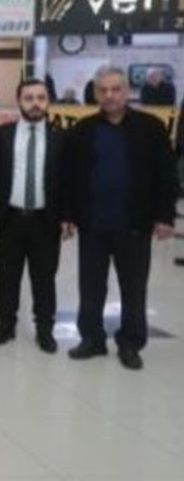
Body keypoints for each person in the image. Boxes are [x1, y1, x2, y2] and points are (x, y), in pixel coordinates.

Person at [63, 66, 178, 370]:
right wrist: (68, 215)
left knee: (133, 288)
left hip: (134, 224)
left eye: (116, 89)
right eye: (103, 90)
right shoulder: (83, 130)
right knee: (91, 286)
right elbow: (70, 178)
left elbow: (166, 176)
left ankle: (130, 343)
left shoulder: (151, 128)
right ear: (95, 93)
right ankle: (92, 339)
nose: (110, 95)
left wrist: (165, 217)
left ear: (127, 91)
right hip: (93, 224)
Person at [0, 79, 64, 354]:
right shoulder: (1, 136)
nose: (35, 104)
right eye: (29, 98)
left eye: (41, 98)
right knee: (7, 276)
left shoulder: (60, 137)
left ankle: (45, 330)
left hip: (46, 220)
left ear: (48, 101)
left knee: (44, 277)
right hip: (9, 219)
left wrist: (68, 216)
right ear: (19, 101)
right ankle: (6, 325)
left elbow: (68, 181)